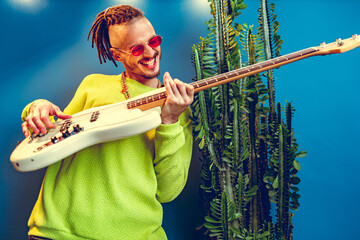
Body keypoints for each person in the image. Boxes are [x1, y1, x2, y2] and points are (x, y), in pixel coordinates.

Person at [21, 5, 194, 240]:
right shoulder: (93, 85)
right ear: (117, 55)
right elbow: (55, 131)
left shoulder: (178, 107)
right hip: (59, 232)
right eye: (136, 48)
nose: (150, 52)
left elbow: (168, 191)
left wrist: (170, 121)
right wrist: (36, 107)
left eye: (153, 41)